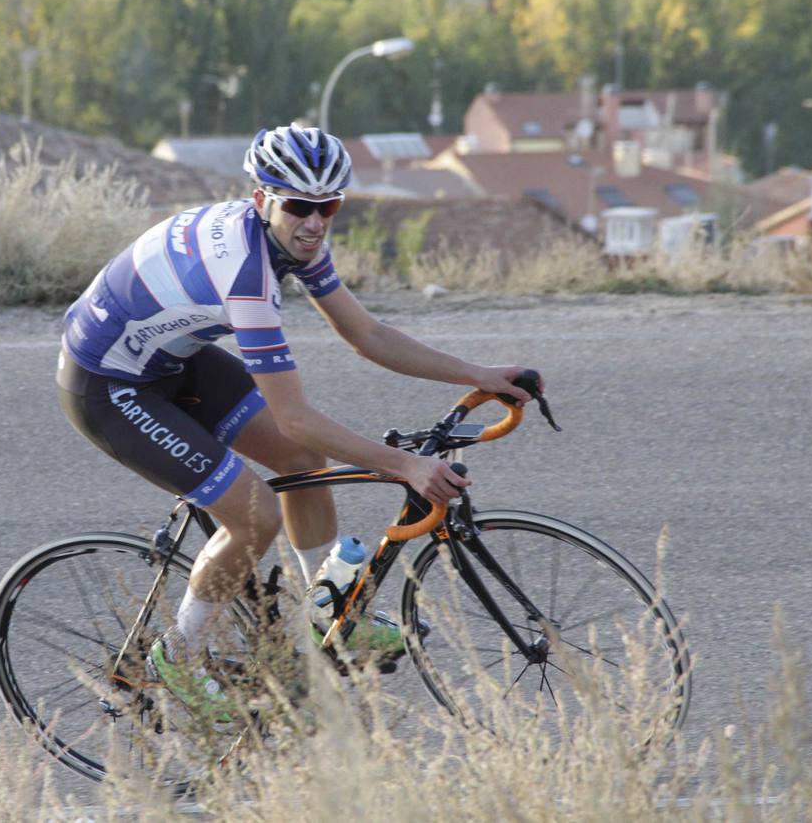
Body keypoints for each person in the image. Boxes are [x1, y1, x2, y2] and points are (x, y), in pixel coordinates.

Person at [56, 122, 542, 716]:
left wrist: (476, 374)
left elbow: (366, 334)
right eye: (299, 207)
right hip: (108, 385)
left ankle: (327, 614)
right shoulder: (247, 275)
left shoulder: (291, 240)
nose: (315, 222)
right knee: (254, 514)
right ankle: (175, 656)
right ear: (263, 200)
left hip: (170, 362)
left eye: (328, 206)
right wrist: (406, 466)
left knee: (303, 463)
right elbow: (294, 416)